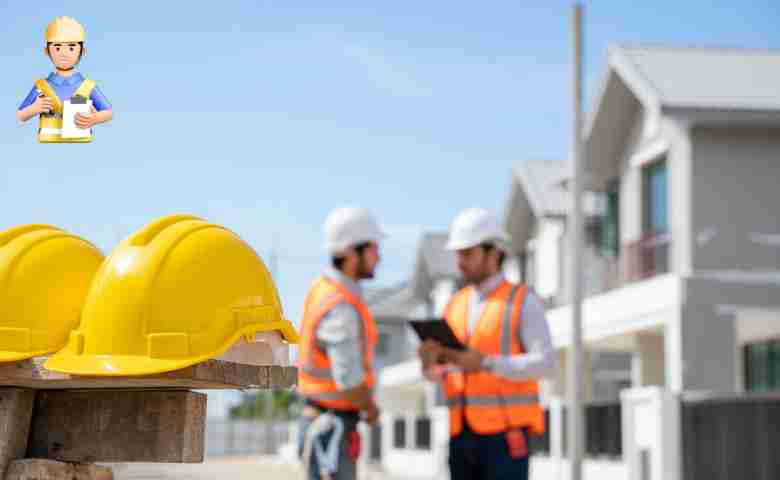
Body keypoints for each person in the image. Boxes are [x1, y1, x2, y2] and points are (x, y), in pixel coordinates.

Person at [418, 207, 557, 480]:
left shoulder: (522, 300)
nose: (460, 261)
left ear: (494, 252)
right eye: (458, 254)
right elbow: (442, 373)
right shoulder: (455, 305)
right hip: (461, 435)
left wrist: (486, 363)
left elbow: (545, 363)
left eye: (468, 253)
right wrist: (429, 365)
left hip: (505, 438)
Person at [297, 206, 386, 480]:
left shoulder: (324, 289)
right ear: (350, 252)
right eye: (373, 248)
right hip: (332, 426)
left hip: (323, 421)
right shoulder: (340, 306)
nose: (379, 257)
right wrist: (371, 410)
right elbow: (348, 378)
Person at [17, 17, 113, 143]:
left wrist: (95, 118)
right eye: (57, 48)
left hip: (81, 141)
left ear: (82, 51)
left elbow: (108, 112)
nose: (64, 54)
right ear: (47, 51)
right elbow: (20, 115)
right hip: (48, 144)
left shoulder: (88, 86)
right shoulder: (41, 86)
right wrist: (34, 109)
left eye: (71, 48)